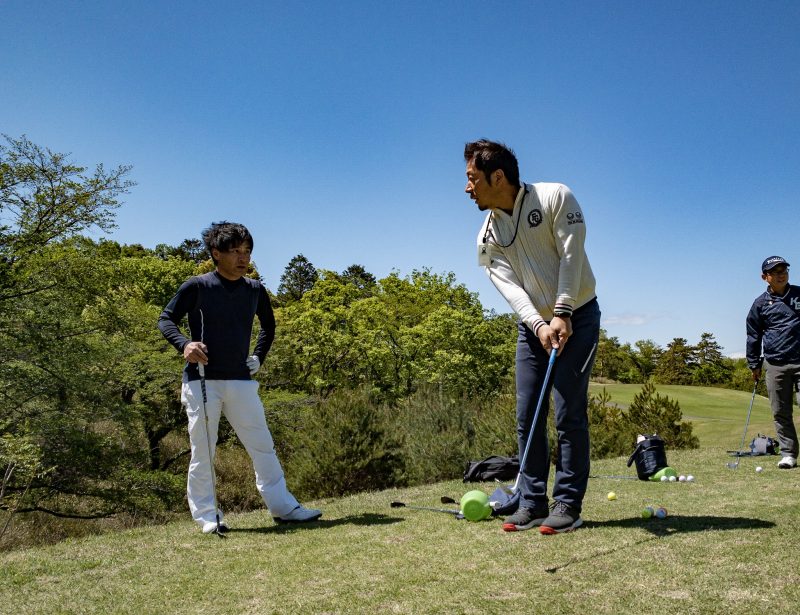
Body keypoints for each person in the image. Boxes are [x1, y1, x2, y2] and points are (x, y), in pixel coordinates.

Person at [464, 139, 600, 534]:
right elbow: (511, 290)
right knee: (528, 415)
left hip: (581, 315)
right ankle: (532, 501)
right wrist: (540, 325)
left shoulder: (556, 197)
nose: (467, 187)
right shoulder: (486, 236)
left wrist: (562, 311)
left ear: (498, 176)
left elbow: (572, 256)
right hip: (533, 328)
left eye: (473, 178)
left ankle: (568, 505)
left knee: (568, 412)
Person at [158, 221, 322, 533]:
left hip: (241, 381)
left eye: (246, 251)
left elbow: (269, 326)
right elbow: (166, 319)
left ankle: (284, 508)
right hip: (201, 379)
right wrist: (185, 344)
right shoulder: (197, 286)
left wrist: (258, 357)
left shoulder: (255, 290)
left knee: (263, 445)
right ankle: (208, 516)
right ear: (216, 253)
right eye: (235, 251)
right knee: (204, 449)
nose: (243, 258)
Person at [746, 256, 800, 469]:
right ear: (764, 277)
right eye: (775, 271)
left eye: (783, 270)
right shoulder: (760, 304)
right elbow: (753, 335)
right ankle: (789, 454)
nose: (781, 274)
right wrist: (754, 364)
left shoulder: (799, 294)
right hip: (775, 363)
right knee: (780, 411)